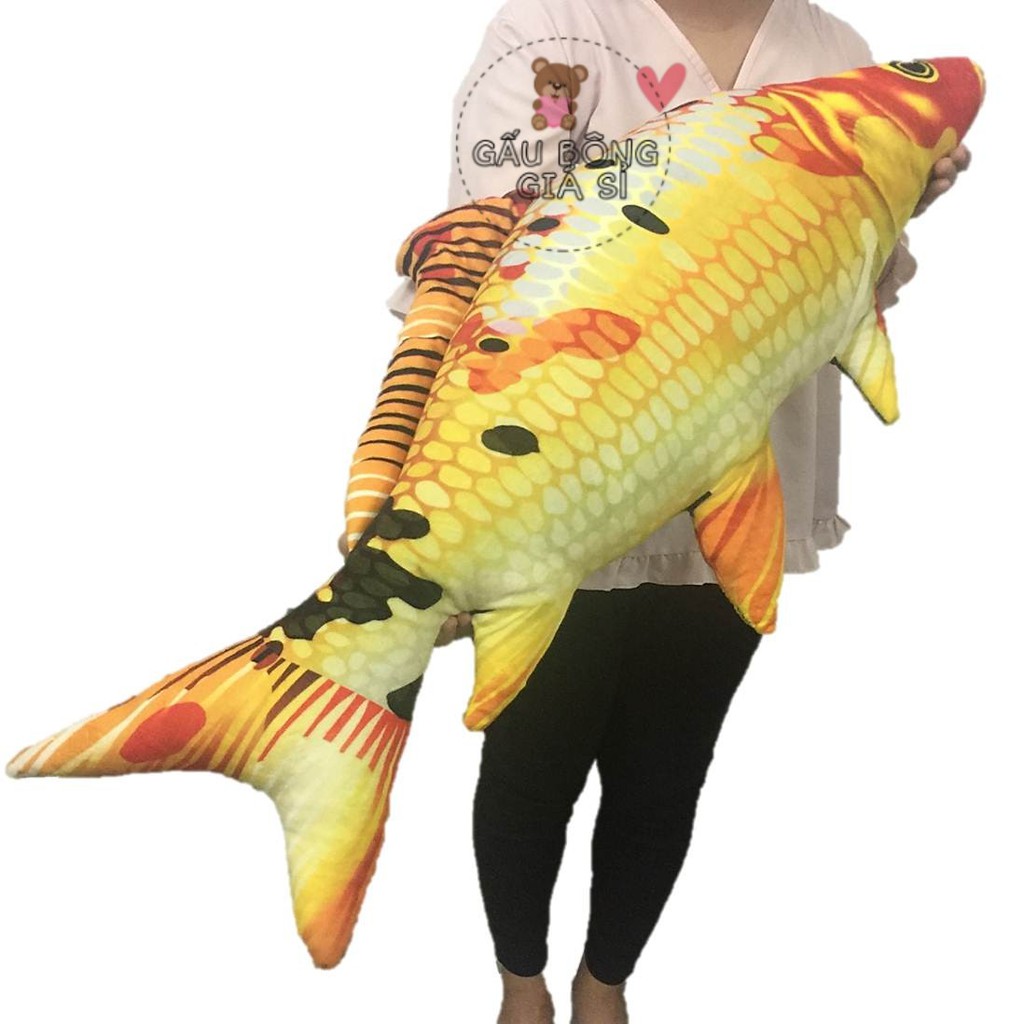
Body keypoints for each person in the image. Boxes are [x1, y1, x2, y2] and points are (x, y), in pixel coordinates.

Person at [358, 3, 970, 1020]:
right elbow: (487, 256)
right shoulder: (556, 24)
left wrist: (894, 199)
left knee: (668, 764)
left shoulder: (834, 53)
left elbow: (855, 284)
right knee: (533, 754)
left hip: (744, 476)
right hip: (563, 484)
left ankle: (605, 983)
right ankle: (521, 983)